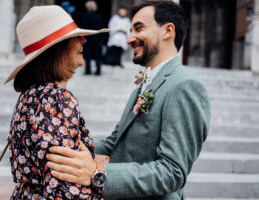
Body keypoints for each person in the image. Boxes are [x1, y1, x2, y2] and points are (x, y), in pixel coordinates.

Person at [46, 1, 211, 199]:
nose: (130, 38)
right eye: (131, 30)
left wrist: (98, 174)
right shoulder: (144, 85)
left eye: (138, 29)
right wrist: (60, 146)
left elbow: (172, 172)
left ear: (167, 31)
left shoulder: (184, 85)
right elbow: (115, 143)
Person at [4, 5, 109, 199]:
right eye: (75, 36)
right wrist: (99, 176)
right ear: (57, 48)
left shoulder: (31, 96)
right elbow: (66, 187)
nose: (84, 40)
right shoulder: (56, 100)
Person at [81, 1, 105, 75]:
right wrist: (101, 39)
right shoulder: (99, 16)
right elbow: (102, 28)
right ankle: (98, 70)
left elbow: (83, 26)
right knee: (97, 55)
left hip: (88, 38)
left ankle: (88, 70)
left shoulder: (85, 15)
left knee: (88, 55)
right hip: (97, 38)